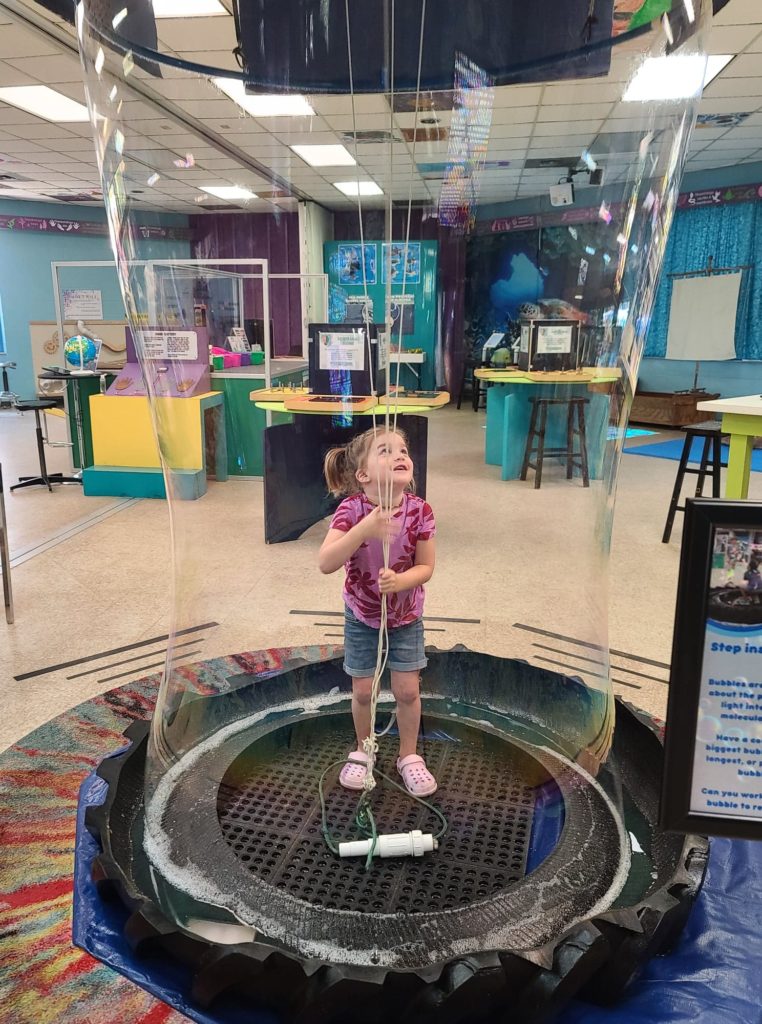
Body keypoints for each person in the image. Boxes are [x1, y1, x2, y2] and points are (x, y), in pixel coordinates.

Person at [319, 426, 437, 796]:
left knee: (407, 691)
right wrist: (365, 528)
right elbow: (325, 562)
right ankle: (364, 748)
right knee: (364, 690)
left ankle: (409, 755)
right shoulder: (351, 510)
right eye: (385, 451)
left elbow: (426, 567)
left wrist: (401, 582)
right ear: (363, 474)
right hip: (362, 616)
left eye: (403, 449)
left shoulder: (420, 511)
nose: (400, 455)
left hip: (405, 618)